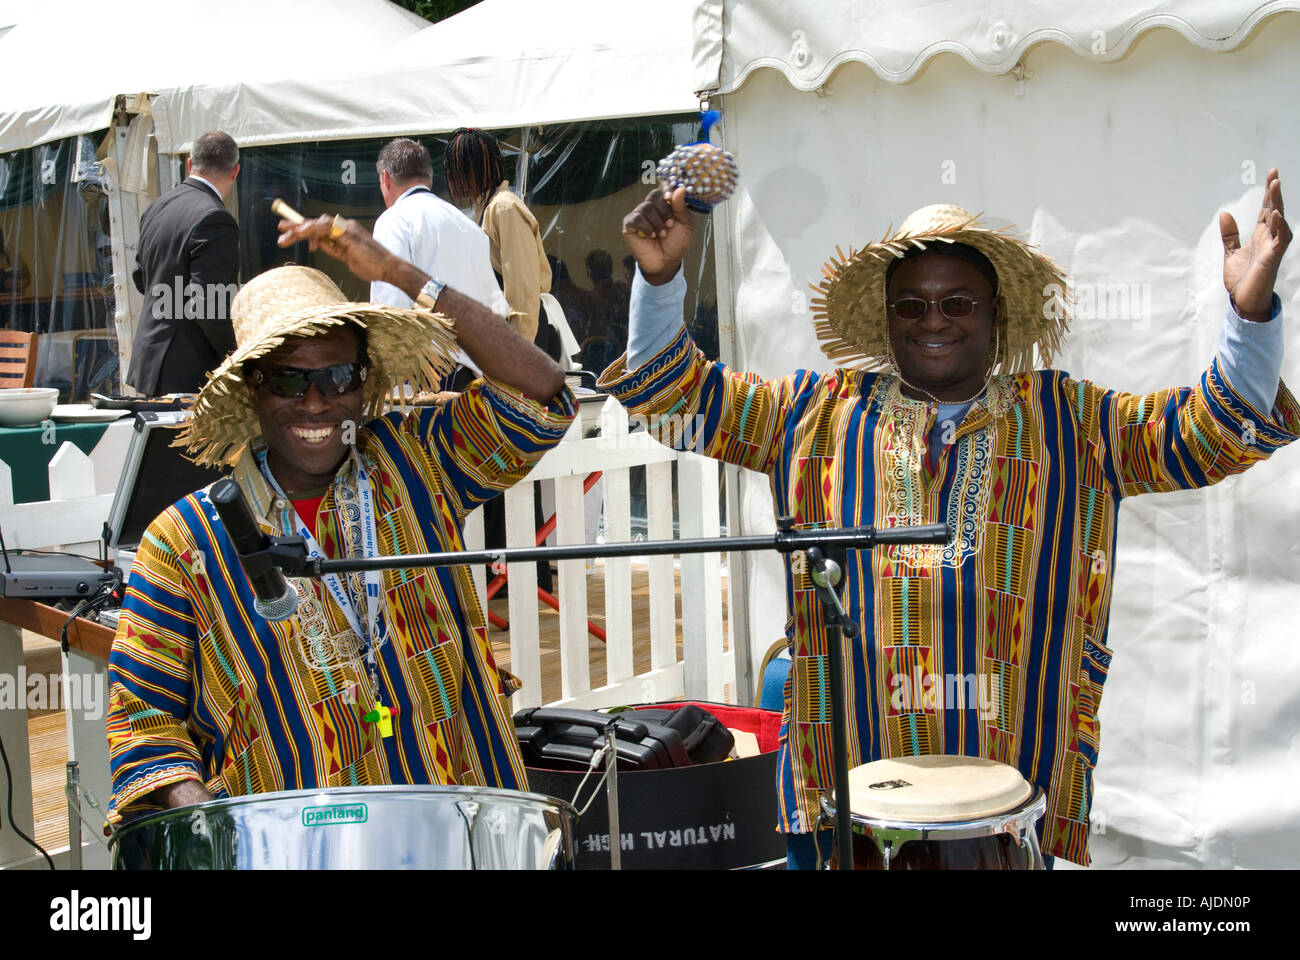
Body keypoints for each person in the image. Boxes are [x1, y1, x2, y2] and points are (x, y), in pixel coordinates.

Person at [603, 173, 1295, 867]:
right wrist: (660, 278)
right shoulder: (811, 415)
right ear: (887, 318)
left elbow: (1211, 431)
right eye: (911, 305)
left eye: (957, 301)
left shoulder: (1072, 423)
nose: (933, 320)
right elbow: (671, 400)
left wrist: (1249, 311)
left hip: (1008, 791)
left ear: (995, 315)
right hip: (844, 783)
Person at [105, 210, 573, 825]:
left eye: (336, 375)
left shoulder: (418, 463)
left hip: (459, 826)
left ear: (363, 382)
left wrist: (402, 275)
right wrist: (213, 825)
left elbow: (542, 392)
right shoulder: (184, 543)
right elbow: (144, 721)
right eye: (288, 380)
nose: (317, 401)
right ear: (251, 389)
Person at [127, 130, 241, 396]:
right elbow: (207, 305)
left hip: (150, 359)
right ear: (235, 172)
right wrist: (237, 355)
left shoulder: (157, 206)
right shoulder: (215, 218)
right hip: (188, 369)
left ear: (189, 163)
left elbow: (140, 277)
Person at [444, 128, 555, 354]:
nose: (453, 177)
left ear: (474, 168)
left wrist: (520, 352)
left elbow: (522, 290)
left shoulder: (504, 208)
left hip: (524, 337)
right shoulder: (484, 208)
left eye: (459, 168)